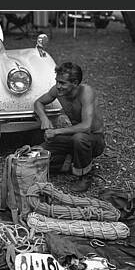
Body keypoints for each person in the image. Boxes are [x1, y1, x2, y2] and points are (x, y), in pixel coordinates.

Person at [34, 62, 105, 193]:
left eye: (62, 83)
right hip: (74, 137)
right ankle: (68, 162)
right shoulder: (57, 90)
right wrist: (44, 118)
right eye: (57, 81)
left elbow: (86, 127)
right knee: (40, 151)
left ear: (75, 83)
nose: (58, 86)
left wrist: (56, 131)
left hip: (94, 139)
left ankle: (85, 176)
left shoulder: (86, 92)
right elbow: (38, 102)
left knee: (79, 139)